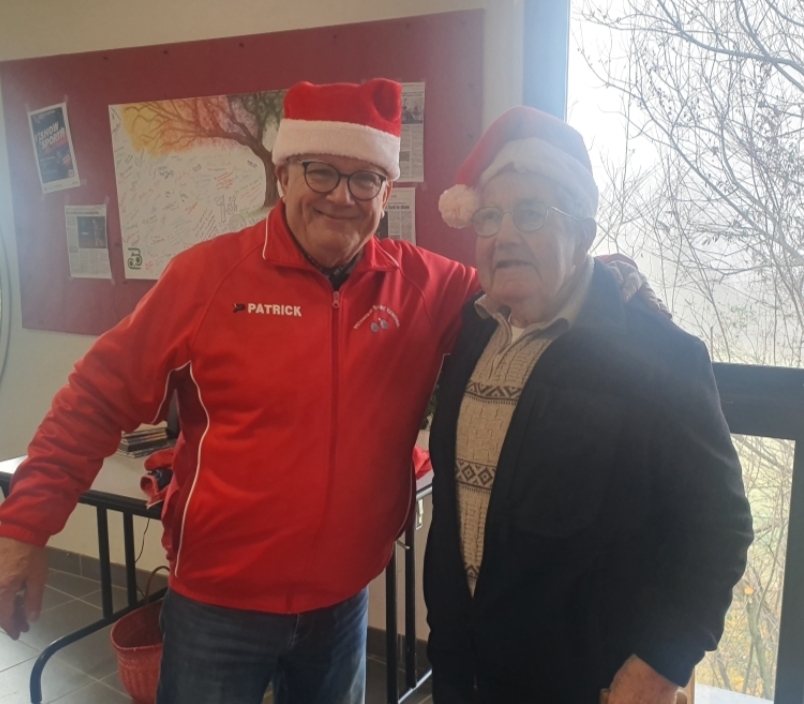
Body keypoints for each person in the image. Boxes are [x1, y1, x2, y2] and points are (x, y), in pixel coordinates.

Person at [0, 79, 662, 703]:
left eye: (366, 178)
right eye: (321, 172)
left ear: (385, 191)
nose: (343, 196)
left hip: (342, 604)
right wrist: (27, 526)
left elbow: (524, 282)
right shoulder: (206, 278)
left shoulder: (426, 287)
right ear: (284, 174)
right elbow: (95, 398)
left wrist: (602, 274)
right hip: (217, 607)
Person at [424, 107, 754, 704]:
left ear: (583, 234)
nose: (503, 235)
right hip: (464, 673)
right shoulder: (471, 335)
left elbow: (719, 530)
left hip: (590, 685)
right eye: (489, 216)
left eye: (530, 213)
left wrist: (661, 666)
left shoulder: (659, 355)